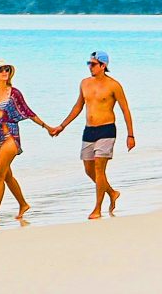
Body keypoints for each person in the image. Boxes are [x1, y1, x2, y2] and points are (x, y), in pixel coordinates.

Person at [52, 51, 135, 219]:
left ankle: (97, 208)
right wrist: (62, 126)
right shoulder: (84, 83)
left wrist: (130, 135)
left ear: (103, 66)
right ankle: (111, 192)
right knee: (89, 169)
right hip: (89, 130)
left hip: (107, 129)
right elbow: (78, 106)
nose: (90, 67)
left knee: (99, 168)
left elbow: (125, 110)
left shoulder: (114, 85)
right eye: (88, 63)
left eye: (93, 64)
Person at [0, 59, 54, 225]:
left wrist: (47, 127)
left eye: (7, 69)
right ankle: (23, 204)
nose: (4, 72)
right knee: (6, 175)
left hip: (11, 136)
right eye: (0, 70)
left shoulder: (15, 93)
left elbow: (28, 112)